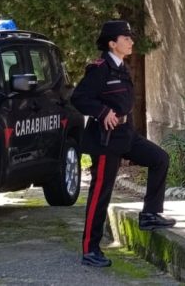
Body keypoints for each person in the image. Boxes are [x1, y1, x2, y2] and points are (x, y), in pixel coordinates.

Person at [72, 19, 176, 267]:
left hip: (126, 134)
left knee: (159, 159)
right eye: (126, 38)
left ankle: (149, 214)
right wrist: (101, 112)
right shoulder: (99, 69)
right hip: (106, 141)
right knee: (100, 194)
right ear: (112, 43)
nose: (131, 42)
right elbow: (78, 97)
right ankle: (90, 249)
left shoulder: (121, 67)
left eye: (130, 37)